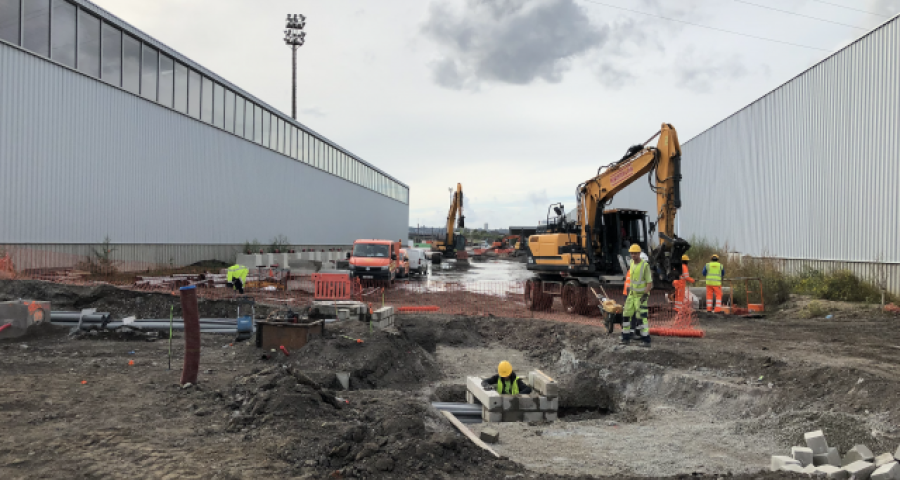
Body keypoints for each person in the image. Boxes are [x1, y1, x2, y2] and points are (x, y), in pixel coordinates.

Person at [622, 244, 652, 347]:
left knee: (641, 318)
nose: (633, 255)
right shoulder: (631, 263)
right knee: (626, 315)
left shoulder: (645, 266)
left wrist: (645, 295)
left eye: (635, 253)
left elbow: (649, 283)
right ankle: (625, 338)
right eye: (632, 253)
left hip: (640, 296)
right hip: (631, 295)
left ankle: (646, 340)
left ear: (639, 253)